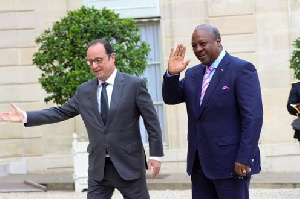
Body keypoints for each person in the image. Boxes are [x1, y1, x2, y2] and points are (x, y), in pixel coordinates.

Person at [0, 39, 164, 199]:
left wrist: (155, 155)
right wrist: (26, 117)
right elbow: (60, 112)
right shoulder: (84, 91)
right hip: (98, 168)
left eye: (98, 60)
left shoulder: (134, 85)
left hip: (129, 165)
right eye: (90, 62)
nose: (94, 66)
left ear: (112, 57)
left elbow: (152, 121)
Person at [162, 24, 263, 199]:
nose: (198, 49)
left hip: (232, 164)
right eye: (194, 45)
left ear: (218, 41)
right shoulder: (193, 74)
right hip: (200, 164)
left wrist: (245, 157)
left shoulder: (241, 69)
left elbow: (252, 117)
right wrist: (172, 75)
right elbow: (171, 98)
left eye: (202, 43)